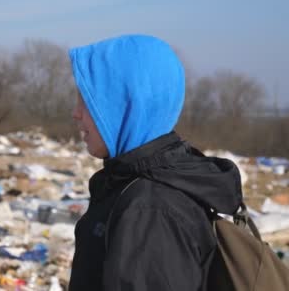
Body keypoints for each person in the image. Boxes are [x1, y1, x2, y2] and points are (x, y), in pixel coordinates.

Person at [68, 34, 243, 291]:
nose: (76, 113)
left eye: (87, 100)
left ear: (126, 104)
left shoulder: (150, 210)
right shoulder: (148, 185)